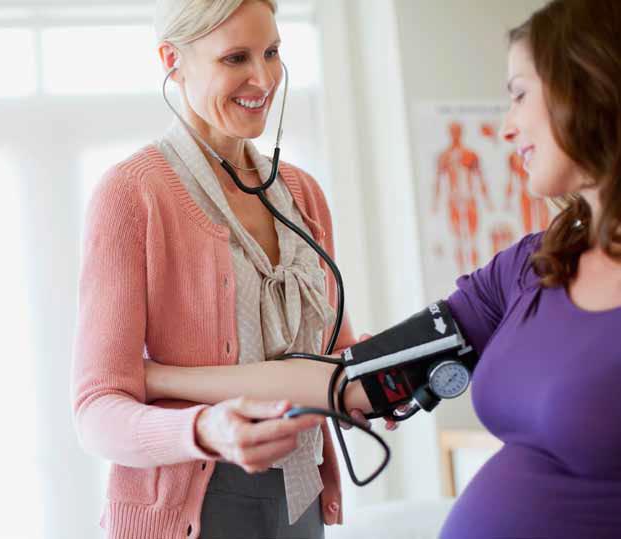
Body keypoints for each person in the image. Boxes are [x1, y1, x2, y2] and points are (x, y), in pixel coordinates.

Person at [143, 0, 621, 537]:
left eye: (519, 94)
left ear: (591, 88)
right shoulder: (533, 267)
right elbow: (352, 378)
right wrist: (159, 377)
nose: (507, 127)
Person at [71, 1, 385, 537]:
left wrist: (380, 379)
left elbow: (333, 355)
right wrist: (203, 429)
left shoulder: (303, 195)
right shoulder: (132, 193)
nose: (262, 79)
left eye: (272, 52)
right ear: (173, 59)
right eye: (235, 58)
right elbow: (96, 412)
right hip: (186, 509)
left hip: (299, 499)